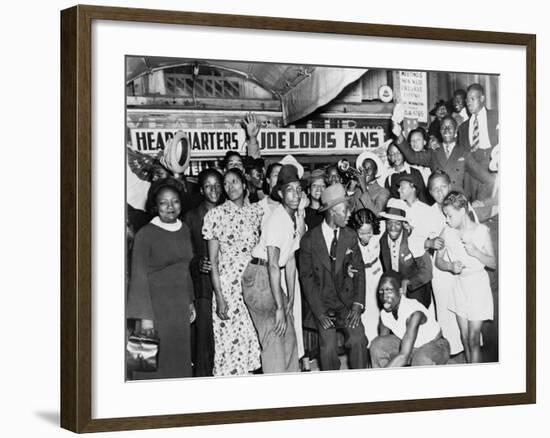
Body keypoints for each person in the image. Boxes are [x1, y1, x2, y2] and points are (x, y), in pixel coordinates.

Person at [127, 178, 195, 379]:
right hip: (152, 312)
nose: (170, 207)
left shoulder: (184, 229)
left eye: (175, 201)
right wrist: (145, 320)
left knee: (178, 363)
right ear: (155, 207)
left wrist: (190, 301)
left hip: (179, 311)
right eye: (164, 203)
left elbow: (185, 268)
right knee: (147, 368)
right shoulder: (145, 234)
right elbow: (138, 278)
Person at [243, 165, 307, 373]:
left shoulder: (294, 218)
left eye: (298, 189)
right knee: (273, 337)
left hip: (271, 277)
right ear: (280, 193)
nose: (296, 194)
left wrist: (290, 300)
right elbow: (272, 263)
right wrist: (280, 307)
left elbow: (289, 261)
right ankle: (275, 396)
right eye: (290, 190)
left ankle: (291, 390)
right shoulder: (278, 219)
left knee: (288, 334)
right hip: (260, 277)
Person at [299, 183, 368, 371]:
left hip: (346, 305)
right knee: (327, 347)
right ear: (331, 212)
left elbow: (359, 272)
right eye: (345, 211)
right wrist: (319, 313)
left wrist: (356, 305)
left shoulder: (350, 236)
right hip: (323, 305)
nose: (349, 215)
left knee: (358, 339)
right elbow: (307, 279)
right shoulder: (309, 241)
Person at [202, 168, 263, 376]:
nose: (230, 187)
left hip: (253, 287)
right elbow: (213, 260)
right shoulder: (215, 215)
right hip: (228, 289)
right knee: (229, 349)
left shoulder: (256, 212)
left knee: (251, 344)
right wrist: (219, 296)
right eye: (226, 183)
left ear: (244, 184)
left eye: (235, 181)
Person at [436, 191, 496, 363]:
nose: (447, 220)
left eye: (449, 215)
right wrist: (449, 266)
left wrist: (476, 252)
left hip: (478, 286)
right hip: (459, 286)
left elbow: (493, 263)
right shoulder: (447, 231)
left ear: (462, 211)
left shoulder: (482, 231)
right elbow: (438, 261)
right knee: (464, 337)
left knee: (473, 339)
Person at [183, 168, 223, 377]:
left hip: (227, 287)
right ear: (201, 189)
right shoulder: (191, 218)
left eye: (217, 184)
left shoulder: (229, 212)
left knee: (225, 339)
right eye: (208, 185)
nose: (213, 189)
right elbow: (184, 254)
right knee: (205, 341)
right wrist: (197, 263)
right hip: (204, 287)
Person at [392, 115, 493, 196]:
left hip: (457, 201)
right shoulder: (433, 151)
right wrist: (399, 135)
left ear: (456, 131)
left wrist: (483, 199)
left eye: (450, 127)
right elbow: (412, 157)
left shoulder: (464, 153)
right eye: (443, 127)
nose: (447, 130)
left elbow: (483, 176)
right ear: (440, 132)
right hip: (438, 200)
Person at [370, 271, 450, 367]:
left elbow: (403, 356)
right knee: (377, 345)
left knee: (420, 359)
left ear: (400, 292)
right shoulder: (384, 314)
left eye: (389, 291)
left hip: (436, 346)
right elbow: (383, 343)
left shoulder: (413, 313)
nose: (384, 297)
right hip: (410, 347)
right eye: (381, 291)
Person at [425, 171, 464, 356]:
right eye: (435, 189)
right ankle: (451, 352)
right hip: (441, 269)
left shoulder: (462, 206)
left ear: (450, 185)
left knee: (464, 309)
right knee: (445, 311)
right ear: (430, 192)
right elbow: (418, 241)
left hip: (463, 266)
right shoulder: (427, 213)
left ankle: (468, 349)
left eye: (443, 187)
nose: (440, 192)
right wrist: (430, 242)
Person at [379, 198, 433, 309]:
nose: (393, 227)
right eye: (389, 223)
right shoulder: (383, 240)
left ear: (404, 224)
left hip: (417, 294)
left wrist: (408, 282)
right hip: (397, 296)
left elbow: (427, 272)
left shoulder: (414, 240)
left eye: (397, 223)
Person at [459, 83, 499, 202]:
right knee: (472, 207)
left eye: (473, 99)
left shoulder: (497, 116)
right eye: (467, 100)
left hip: (490, 165)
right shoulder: (463, 127)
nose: (469, 103)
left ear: (482, 98)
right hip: (471, 170)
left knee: (488, 206)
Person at [350, 208, 384, 346]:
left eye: (369, 232)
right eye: (361, 233)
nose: (366, 237)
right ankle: (369, 347)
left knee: (381, 313)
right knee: (368, 315)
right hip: (363, 279)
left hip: (378, 275)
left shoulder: (379, 232)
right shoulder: (350, 241)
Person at [354, 151, 390, 216]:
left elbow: (377, 214)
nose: (366, 172)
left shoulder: (383, 192)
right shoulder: (357, 190)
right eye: (364, 168)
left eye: (369, 168)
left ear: (376, 171)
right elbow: (349, 210)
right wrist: (350, 191)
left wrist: (364, 188)